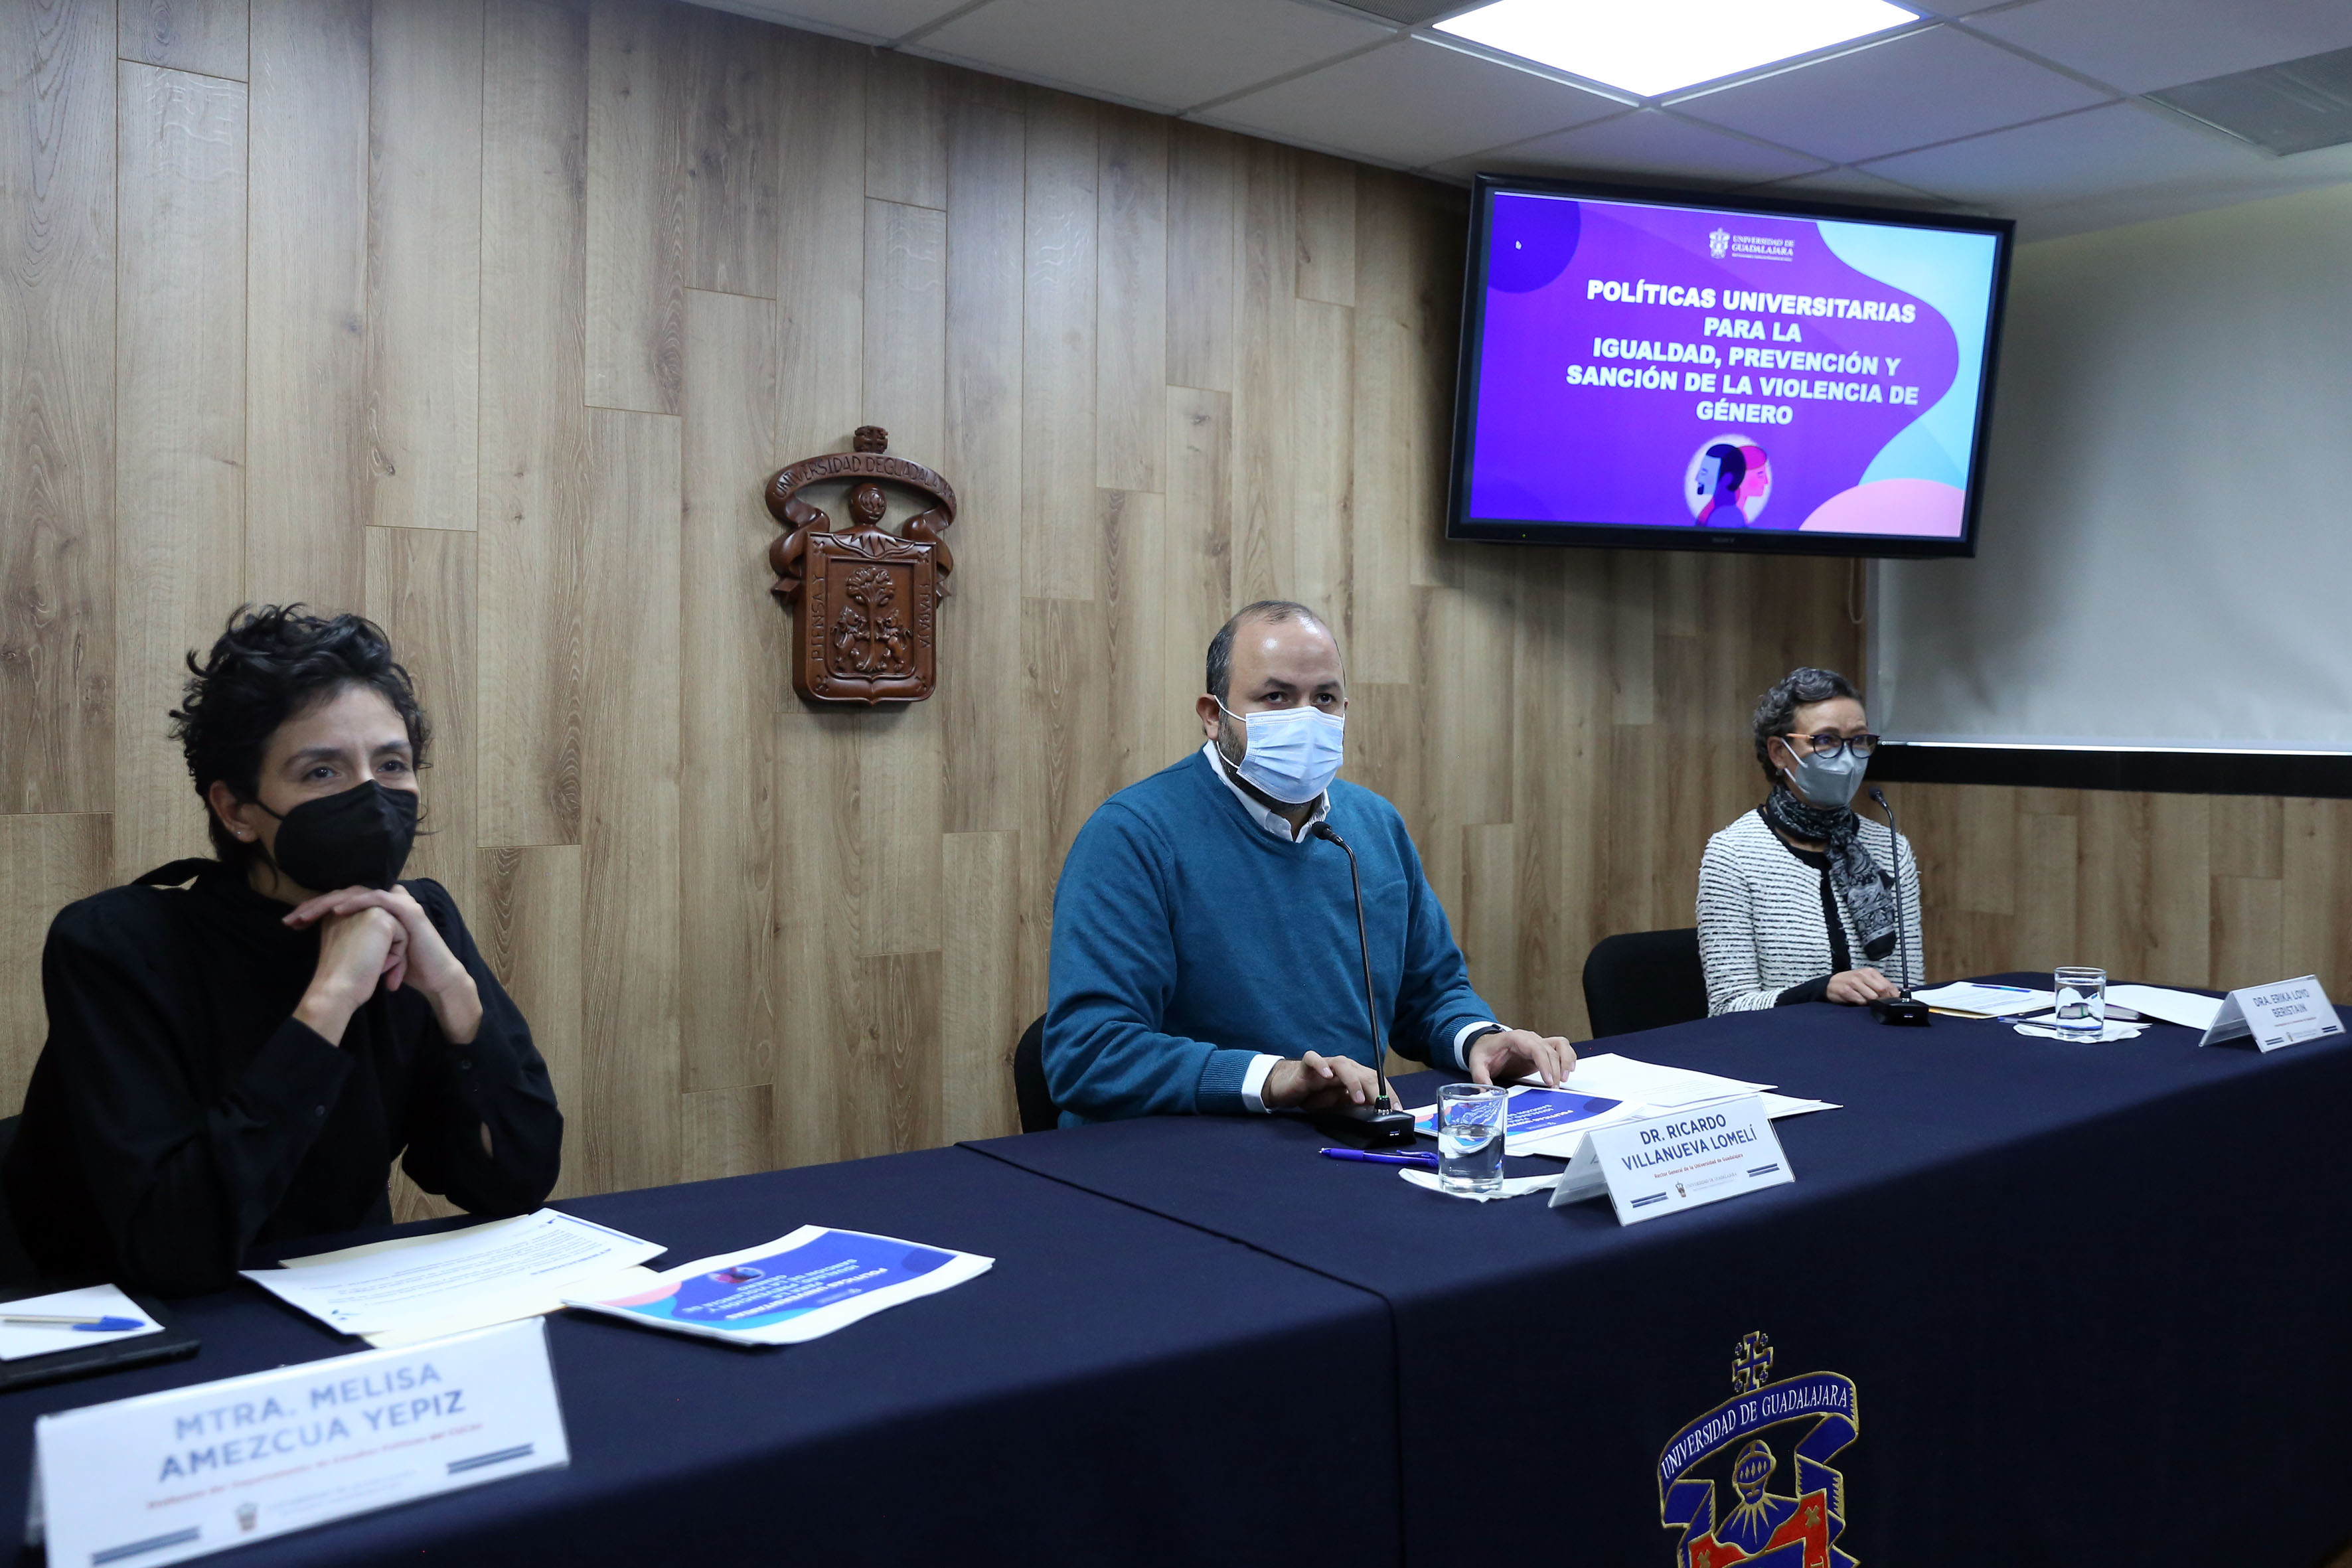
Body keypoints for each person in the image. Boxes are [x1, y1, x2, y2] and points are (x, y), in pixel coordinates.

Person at [3, 607, 562, 1294]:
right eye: (322, 771)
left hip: (340, 1304)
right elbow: (170, 1250)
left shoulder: (419, 924)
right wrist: (329, 1001)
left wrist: (455, 995)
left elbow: (515, 1182)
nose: (371, 796)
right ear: (236, 810)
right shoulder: (118, 944)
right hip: (129, 1317)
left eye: (391, 764)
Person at [1043, 600, 1575, 1122]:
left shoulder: (1372, 824)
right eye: (1276, 696)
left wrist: (1478, 1039)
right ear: (1213, 716)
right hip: (1176, 1150)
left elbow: (1431, 994)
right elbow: (1088, 1052)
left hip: (1342, 1139)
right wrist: (1272, 1080)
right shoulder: (1132, 834)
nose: (1305, 718)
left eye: (1324, 698)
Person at [1697, 666, 1923, 1016]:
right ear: (1779, 752)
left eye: (1859, 740)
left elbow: (1910, 987)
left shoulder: (1889, 847)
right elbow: (1728, 1007)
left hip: (1876, 1042)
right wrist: (1819, 991)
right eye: (1826, 740)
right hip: (1780, 1043)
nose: (1848, 759)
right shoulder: (1734, 854)